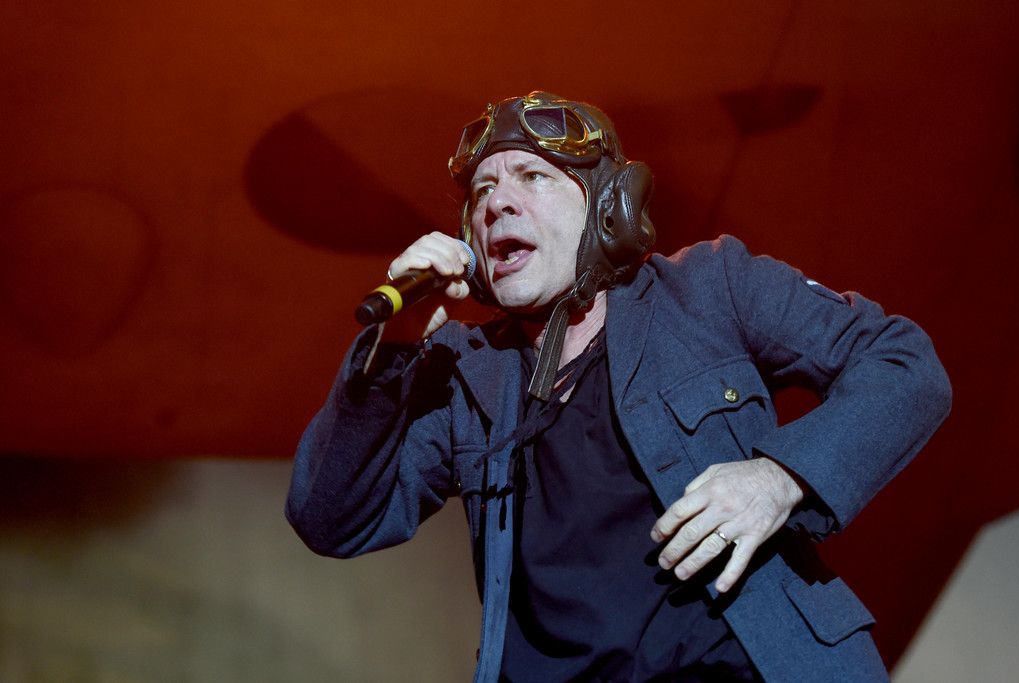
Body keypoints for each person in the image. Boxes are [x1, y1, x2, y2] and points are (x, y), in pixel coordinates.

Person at [286, 92, 951, 682]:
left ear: (610, 207)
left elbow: (903, 364)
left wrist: (781, 478)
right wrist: (395, 347)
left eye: (532, 177)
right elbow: (330, 518)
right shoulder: (461, 371)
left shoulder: (710, 288)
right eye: (482, 191)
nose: (497, 204)